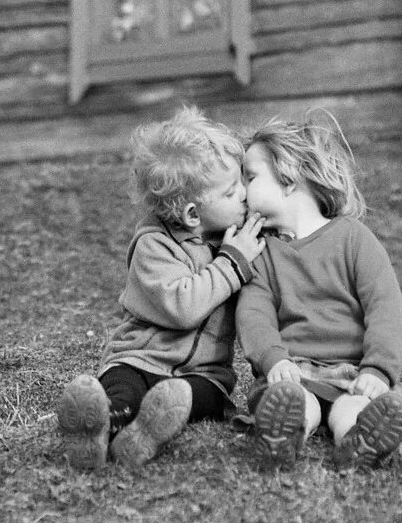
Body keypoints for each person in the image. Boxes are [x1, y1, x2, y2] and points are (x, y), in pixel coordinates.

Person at [56, 106, 266, 469]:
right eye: (233, 191)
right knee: (123, 387)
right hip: (141, 358)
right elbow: (183, 307)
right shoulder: (154, 245)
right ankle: (103, 428)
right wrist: (233, 263)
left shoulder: (232, 235)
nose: (245, 194)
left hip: (204, 375)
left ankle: (144, 433)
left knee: (193, 396)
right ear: (192, 216)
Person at [233, 112, 402, 471]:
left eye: (250, 177)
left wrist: (378, 370)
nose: (241, 192)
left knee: (355, 407)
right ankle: (283, 438)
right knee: (296, 402)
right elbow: (253, 315)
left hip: (354, 372)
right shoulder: (262, 252)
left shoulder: (354, 238)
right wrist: (274, 360)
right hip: (292, 371)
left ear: (288, 177)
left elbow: (385, 308)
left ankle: (360, 443)